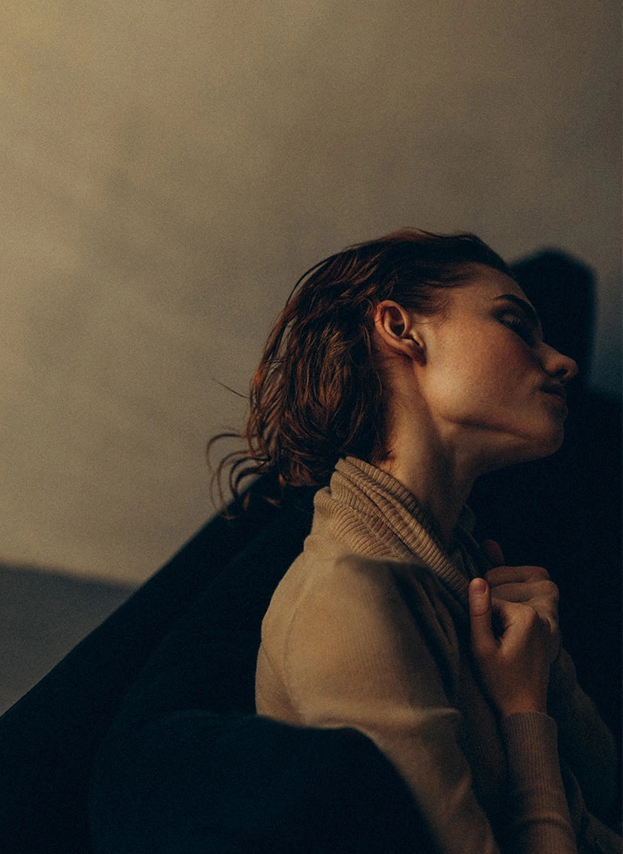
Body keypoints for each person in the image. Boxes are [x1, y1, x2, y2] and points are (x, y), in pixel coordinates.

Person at [216, 229, 621, 853]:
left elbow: (605, 792)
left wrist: (546, 661)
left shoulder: (462, 560)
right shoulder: (347, 598)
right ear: (401, 330)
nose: (562, 361)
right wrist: (525, 709)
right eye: (515, 324)